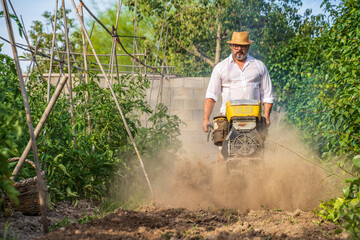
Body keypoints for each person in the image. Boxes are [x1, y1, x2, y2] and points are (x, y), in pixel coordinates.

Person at [202, 31, 274, 132]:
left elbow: (267, 95)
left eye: (243, 46)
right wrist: (205, 119)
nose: (239, 49)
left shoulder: (259, 66)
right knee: (226, 145)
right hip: (227, 118)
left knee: (258, 145)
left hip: (254, 118)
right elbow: (211, 96)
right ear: (231, 46)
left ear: (248, 46)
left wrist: (266, 116)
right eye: (236, 46)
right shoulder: (220, 67)